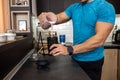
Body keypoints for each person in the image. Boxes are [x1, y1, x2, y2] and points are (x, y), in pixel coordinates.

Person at [39, 0, 116, 80]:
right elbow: (58, 18)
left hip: (92, 62)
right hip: (75, 59)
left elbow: (99, 39)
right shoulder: (74, 7)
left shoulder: (105, 7)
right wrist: (46, 17)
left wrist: (69, 49)